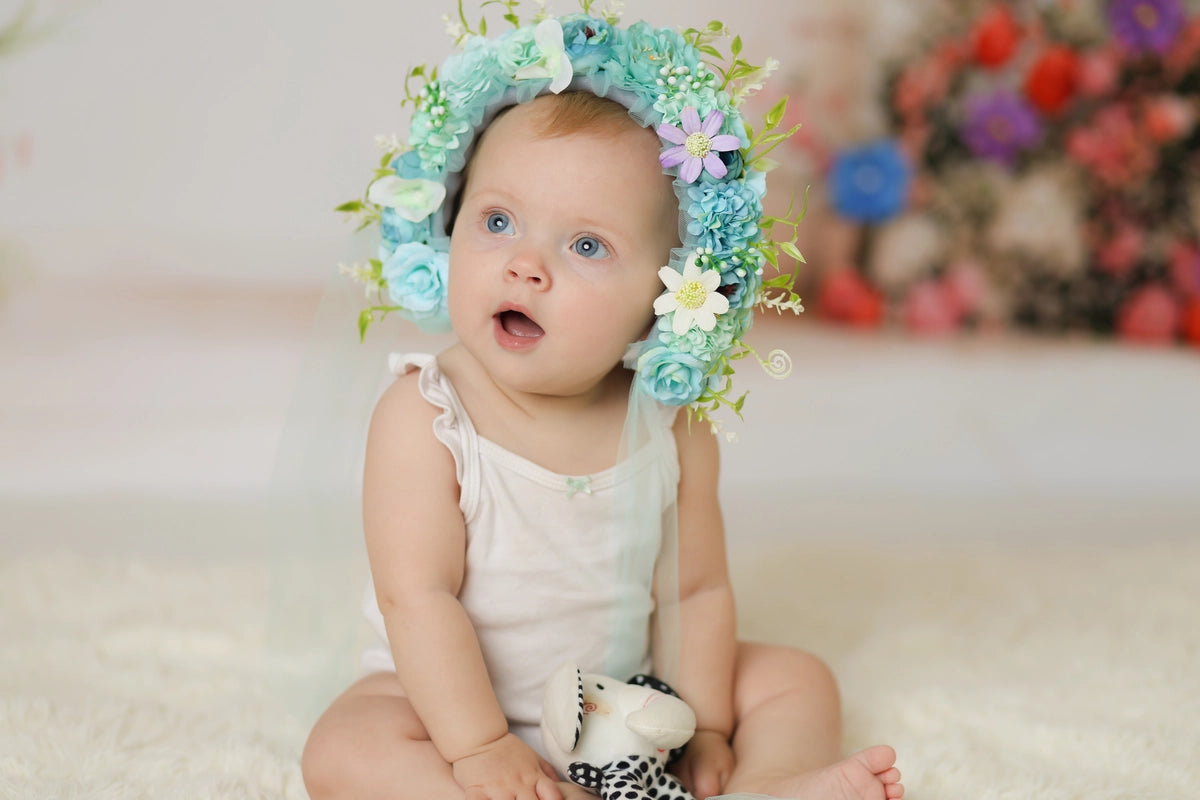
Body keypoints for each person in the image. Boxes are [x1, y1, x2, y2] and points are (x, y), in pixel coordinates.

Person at [301, 8, 903, 800]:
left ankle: (766, 785)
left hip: (624, 701)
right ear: (449, 221)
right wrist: (480, 746)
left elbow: (693, 592)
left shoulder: (669, 423)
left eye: (586, 246)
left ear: (664, 298)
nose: (525, 266)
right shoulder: (426, 417)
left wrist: (708, 727)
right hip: (447, 710)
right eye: (497, 221)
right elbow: (417, 599)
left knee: (796, 679)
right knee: (345, 748)